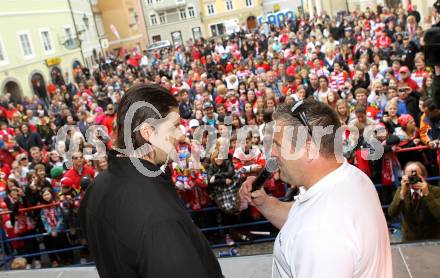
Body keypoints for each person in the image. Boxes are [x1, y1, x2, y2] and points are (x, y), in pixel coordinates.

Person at [79, 84, 222, 278]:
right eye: (174, 126)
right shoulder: (158, 216)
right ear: (148, 133)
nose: (181, 135)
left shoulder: (95, 190)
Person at [239, 99, 392, 277]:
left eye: (278, 145)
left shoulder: (320, 235)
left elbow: (312, 227)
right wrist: (264, 203)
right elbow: (301, 218)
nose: (272, 153)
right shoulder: (352, 177)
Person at [388, 161, 440, 241]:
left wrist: (427, 195)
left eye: (416, 176)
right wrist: (402, 195)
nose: (413, 179)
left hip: (433, 240)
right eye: (409, 176)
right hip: (409, 242)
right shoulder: (401, 191)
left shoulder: (435, 191)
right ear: (404, 177)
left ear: (424, 177)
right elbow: (392, 213)